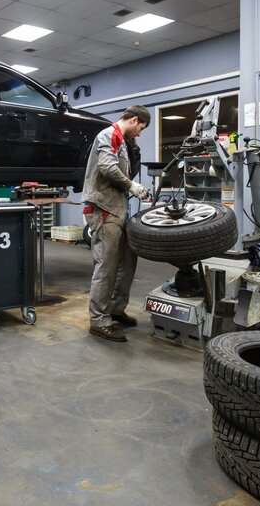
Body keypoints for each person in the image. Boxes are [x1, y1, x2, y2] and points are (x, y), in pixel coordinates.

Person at [82, 105, 151, 342]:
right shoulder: (109, 135)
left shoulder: (124, 142)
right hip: (104, 208)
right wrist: (132, 186)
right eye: (141, 128)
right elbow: (107, 167)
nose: (140, 133)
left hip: (118, 208)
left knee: (128, 260)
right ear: (134, 120)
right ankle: (99, 321)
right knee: (107, 265)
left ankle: (115, 309)